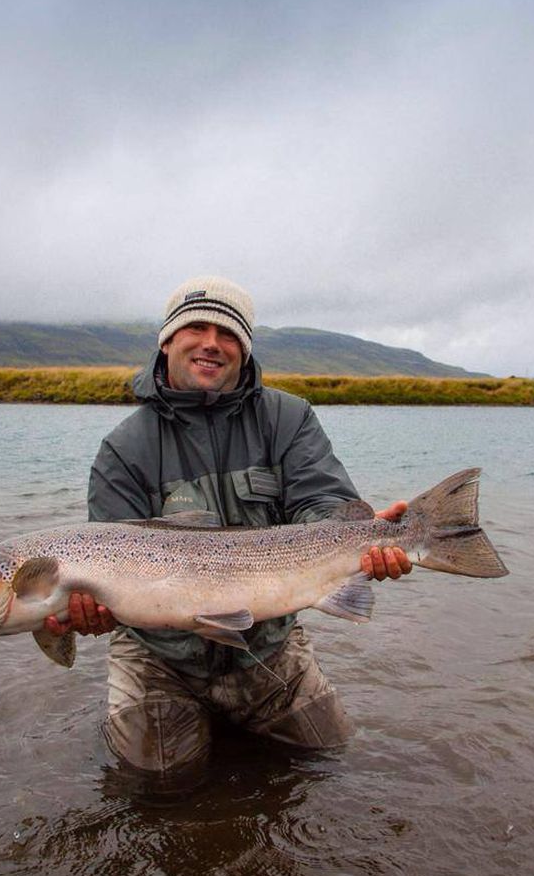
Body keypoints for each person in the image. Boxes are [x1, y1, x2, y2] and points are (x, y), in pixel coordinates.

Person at [45, 276, 411, 775]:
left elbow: (323, 499)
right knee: (156, 788)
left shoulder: (288, 418)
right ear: (168, 340)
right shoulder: (123, 449)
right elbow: (109, 558)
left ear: (244, 348)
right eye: (197, 327)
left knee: (330, 760)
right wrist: (92, 611)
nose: (212, 343)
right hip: (161, 661)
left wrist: (362, 541)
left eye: (230, 333)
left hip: (269, 647)